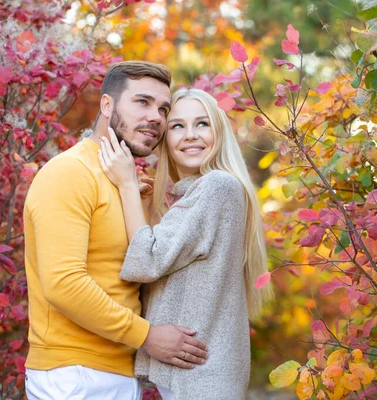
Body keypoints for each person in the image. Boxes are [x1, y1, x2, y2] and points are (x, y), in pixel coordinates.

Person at [23, 62, 208, 400]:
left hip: (117, 370)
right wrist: (147, 335)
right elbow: (63, 284)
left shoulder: (127, 186)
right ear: (107, 105)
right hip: (74, 375)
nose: (156, 117)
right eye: (142, 102)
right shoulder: (70, 173)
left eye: (163, 108)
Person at [98, 88, 272, 399]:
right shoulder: (205, 192)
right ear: (166, 139)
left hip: (201, 380)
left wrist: (125, 184)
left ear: (218, 132)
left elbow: (146, 260)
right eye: (177, 126)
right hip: (201, 379)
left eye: (202, 124)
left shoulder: (217, 186)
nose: (190, 135)